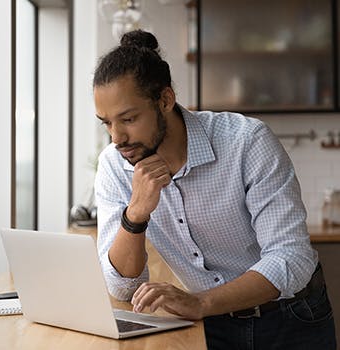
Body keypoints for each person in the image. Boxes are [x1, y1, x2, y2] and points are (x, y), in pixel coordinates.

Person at [93, 30, 336, 349]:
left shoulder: (247, 142)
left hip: (289, 320)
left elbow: (291, 256)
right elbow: (122, 287)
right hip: (212, 327)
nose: (116, 137)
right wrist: (135, 214)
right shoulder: (114, 165)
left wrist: (201, 303)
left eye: (128, 119)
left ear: (165, 100)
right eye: (106, 123)